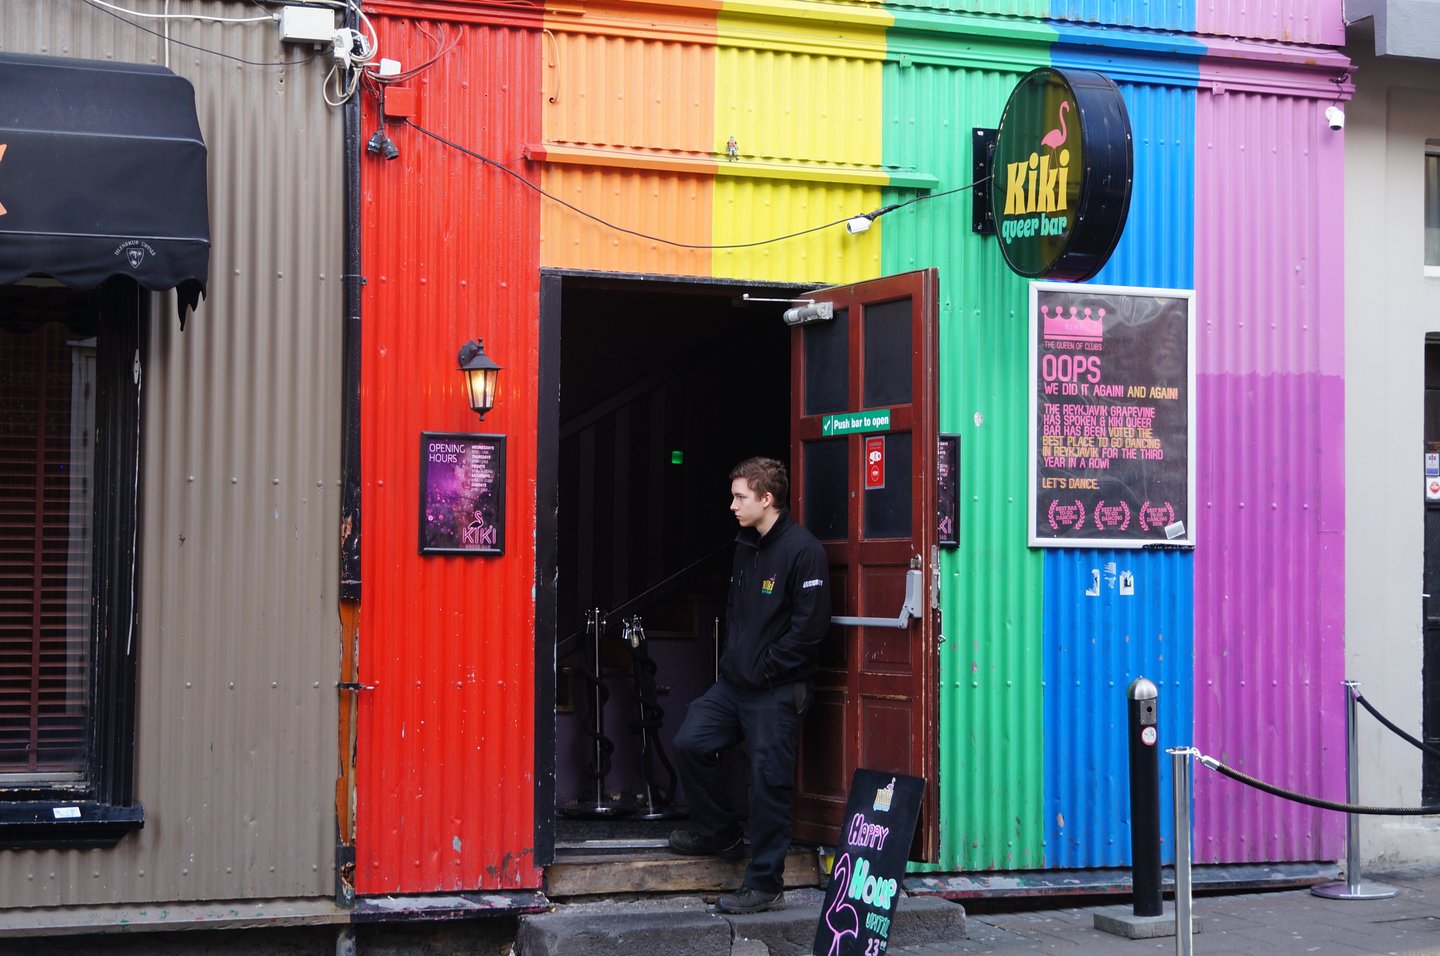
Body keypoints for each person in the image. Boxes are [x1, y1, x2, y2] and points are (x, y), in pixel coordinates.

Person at [668, 456, 832, 914]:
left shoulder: (804, 551)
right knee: (690, 741)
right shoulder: (746, 544)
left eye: (741, 496)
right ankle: (719, 833)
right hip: (736, 684)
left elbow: (809, 630)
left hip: (778, 689)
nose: (733, 505)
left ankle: (765, 884)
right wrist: (734, 664)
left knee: (768, 783)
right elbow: (736, 611)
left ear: (767, 498)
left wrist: (763, 669)